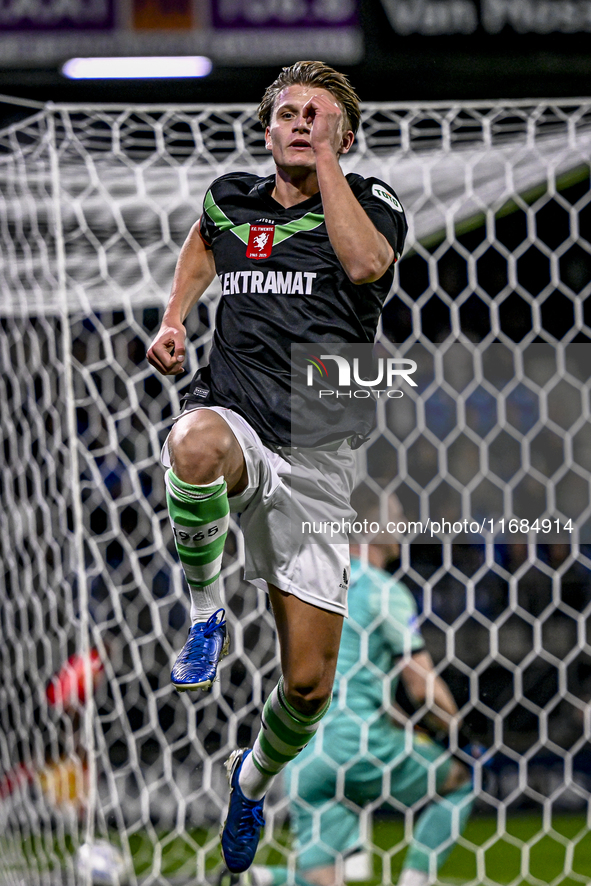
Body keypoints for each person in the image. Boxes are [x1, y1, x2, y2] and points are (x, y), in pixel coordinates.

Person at [146, 60, 407, 874]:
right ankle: (203, 613)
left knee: (306, 688)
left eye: (315, 116)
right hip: (241, 424)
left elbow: (366, 268)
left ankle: (250, 781)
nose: (297, 122)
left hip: (321, 456)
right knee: (193, 446)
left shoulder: (372, 204)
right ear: (265, 131)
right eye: (286, 114)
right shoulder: (232, 198)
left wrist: (327, 162)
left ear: (345, 135)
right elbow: (202, 239)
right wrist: (175, 317)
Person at [248, 490, 475, 886]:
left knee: (322, 884)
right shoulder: (384, 589)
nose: (405, 526)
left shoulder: (314, 585)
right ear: (372, 526)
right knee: (462, 779)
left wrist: (407, 725)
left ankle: (256, 880)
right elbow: (421, 685)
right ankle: (415, 882)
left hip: (304, 755)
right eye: (398, 514)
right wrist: (460, 733)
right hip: (360, 744)